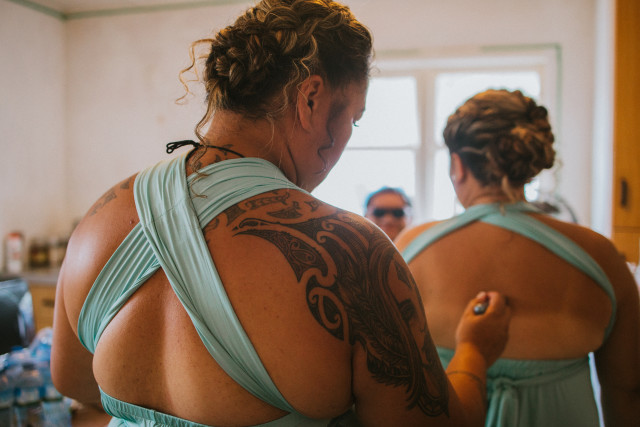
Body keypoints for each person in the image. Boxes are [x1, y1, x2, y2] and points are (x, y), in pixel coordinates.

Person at [50, 2, 511, 426]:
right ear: (311, 99)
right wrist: (473, 351)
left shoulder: (100, 219)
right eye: (353, 119)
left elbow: (74, 382)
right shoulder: (352, 251)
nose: (347, 138)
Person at [395, 89, 640, 426]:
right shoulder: (600, 255)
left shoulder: (412, 249)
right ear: (528, 161)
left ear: (458, 166)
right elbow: (627, 392)